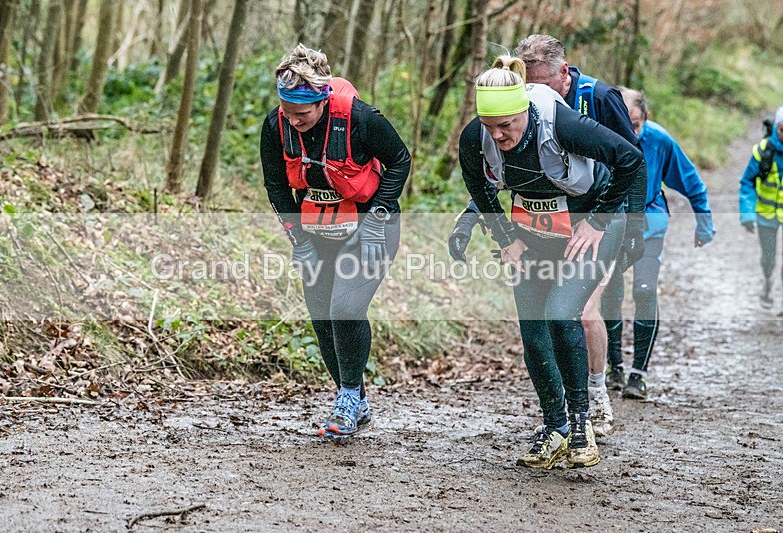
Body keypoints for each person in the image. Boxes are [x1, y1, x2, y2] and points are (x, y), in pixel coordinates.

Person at [450, 34, 645, 437]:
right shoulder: (477, 137)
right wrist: (505, 238)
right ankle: (556, 427)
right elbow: (482, 187)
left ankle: (589, 413)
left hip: (591, 220)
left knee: (573, 313)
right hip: (535, 229)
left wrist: (612, 224)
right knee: (536, 332)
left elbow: (630, 160)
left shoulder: (580, 112)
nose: (498, 136)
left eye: (506, 126)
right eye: (491, 127)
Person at [260, 44, 411, 437]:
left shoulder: (361, 120)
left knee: (345, 307)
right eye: (287, 112)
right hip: (316, 230)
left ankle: (345, 399)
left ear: (323, 100)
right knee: (323, 319)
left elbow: (400, 160)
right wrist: (299, 242)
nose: (294, 121)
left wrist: (377, 220)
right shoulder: (275, 126)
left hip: (370, 229)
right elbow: (276, 187)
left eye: (302, 113)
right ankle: (356, 399)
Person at [602, 88, 715, 399]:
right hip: (612, 224)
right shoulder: (600, 136)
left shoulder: (660, 140)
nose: (629, 131)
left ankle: (639, 373)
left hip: (649, 222)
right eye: (624, 123)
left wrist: (704, 222)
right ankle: (614, 366)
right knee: (610, 291)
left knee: (644, 289)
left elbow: (690, 180)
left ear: (646, 118)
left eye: (635, 124)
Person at [739, 106, 783, 315]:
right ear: (776, 127)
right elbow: (747, 182)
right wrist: (747, 214)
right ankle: (767, 281)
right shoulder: (762, 151)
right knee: (768, 258)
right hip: (766, 214)